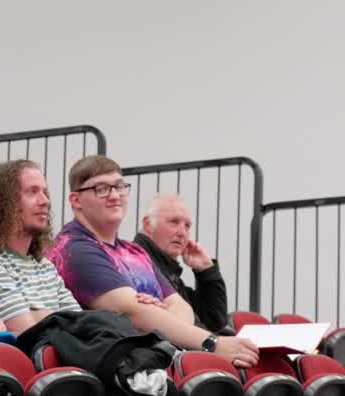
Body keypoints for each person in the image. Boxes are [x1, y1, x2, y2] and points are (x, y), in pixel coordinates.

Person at [47, 155, 257, 367]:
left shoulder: (134, 251)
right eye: (101, 188)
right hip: (122, 373)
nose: (114, 195)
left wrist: (159, 318)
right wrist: (212, 344)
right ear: (76, 200)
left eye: (119, 186)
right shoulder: (74, 249)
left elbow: (181, 306)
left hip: (157, 359)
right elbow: (134, 312)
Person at [0, 160, 81, 333]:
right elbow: (31, 336)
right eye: (32, 192)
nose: (45, 201)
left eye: (45, 192)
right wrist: (53, 317)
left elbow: (82, 326)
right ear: (4, 204)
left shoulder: (44, 267)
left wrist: (42, 315)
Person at [134, 193, 228, 333]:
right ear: (148, 225)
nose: (182, 232)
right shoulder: (136, 265)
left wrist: (206, 271)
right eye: (174, 222)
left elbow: (214, 321)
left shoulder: (169, 273)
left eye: (187, 226)